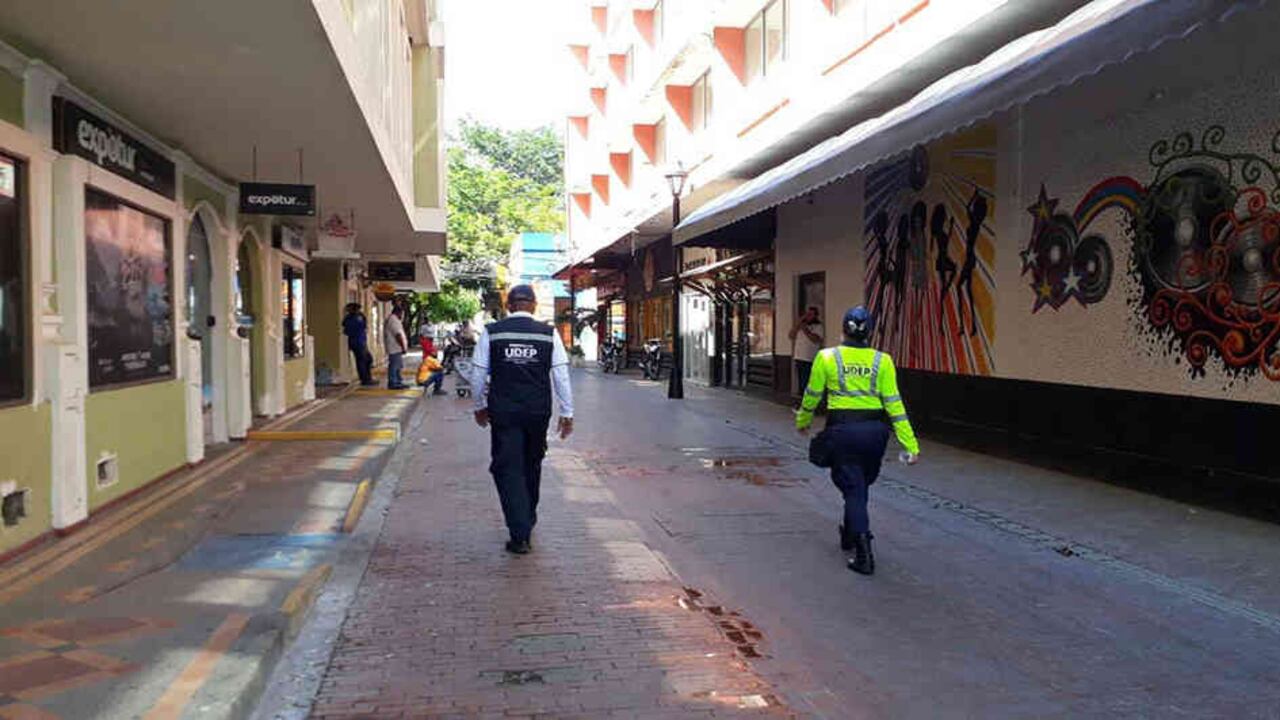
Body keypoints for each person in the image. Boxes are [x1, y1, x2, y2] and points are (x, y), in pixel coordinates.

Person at [796, 305, 920, 576]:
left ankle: (864, 554)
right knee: (859, 484)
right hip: (875, 434)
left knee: (852, 488)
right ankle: (849, 533)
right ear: (870, 333)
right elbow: (895, 406)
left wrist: (802, 422)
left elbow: (812, 395)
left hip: (843, 431)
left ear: (843, 330)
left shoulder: (827, 358)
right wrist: (911, 445)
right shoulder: (882, 361)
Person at [471, 284, 574, 555]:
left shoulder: (493, 333)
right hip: (538, 412)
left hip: (504, 413)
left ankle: (520, 532)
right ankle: (526, 517)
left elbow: (479, 372)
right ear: (534, 305)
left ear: (509, 304)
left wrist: (479, 405)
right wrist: (567, 412)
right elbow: (561, 375)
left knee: (507, 468)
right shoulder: (548, 334)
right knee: (532, 464)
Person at [788, 306, 823, 406]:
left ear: (815, 316)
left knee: (807, 382)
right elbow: (791, 335)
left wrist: (805, 330)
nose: (808, 316)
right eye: (807, 314)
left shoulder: (818, 326)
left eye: (811, 314)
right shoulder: (800, 326)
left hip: (810, 358)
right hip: (799, 356)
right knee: (801, 382)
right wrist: (798, 324)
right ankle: (803, 402)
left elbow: (816, 339)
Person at [342, 303, 375, 386]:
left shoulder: (350, 318)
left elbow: (345, 330)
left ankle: (367, 378)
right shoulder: (355, 318)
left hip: (359, 341)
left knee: (367, 360)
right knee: (363, 361)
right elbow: (362, 326)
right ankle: (365, 379)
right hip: (358, 342)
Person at [383, 304, 409, 390]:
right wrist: (403, 346)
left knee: (398, 365)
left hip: (396, 347)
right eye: (402, 314)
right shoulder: (393, 320)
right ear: (399, 312)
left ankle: (398, 381)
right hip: (395, 347)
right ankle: (393, 382)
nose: (402, 316)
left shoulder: (394, 320)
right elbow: (398, 335)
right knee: (394, 365)